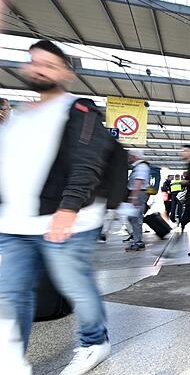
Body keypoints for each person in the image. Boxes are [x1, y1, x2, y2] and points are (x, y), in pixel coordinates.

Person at [0, 40, 112, 374]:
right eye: (35, 62)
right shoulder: (18, 116)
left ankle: (95, 341)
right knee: (11, 290)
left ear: (65, 73)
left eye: (49, 64)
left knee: (75, 285)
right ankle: (10, 357)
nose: (40, 68)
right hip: (17, 222)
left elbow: (87, 162)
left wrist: (68, 208)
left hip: (68, 220)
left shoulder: (79, 110)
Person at [124, 149, 150, 251]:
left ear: (135, 156)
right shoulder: (139, 166)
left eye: (130, 156)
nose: (128, 158)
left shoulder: (141, 167)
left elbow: (138, 182)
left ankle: (138, 242)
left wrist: (133, 197)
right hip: (138, 194)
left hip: (138, 194)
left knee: (135, 219)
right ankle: (137, 240)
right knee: (132, 218)